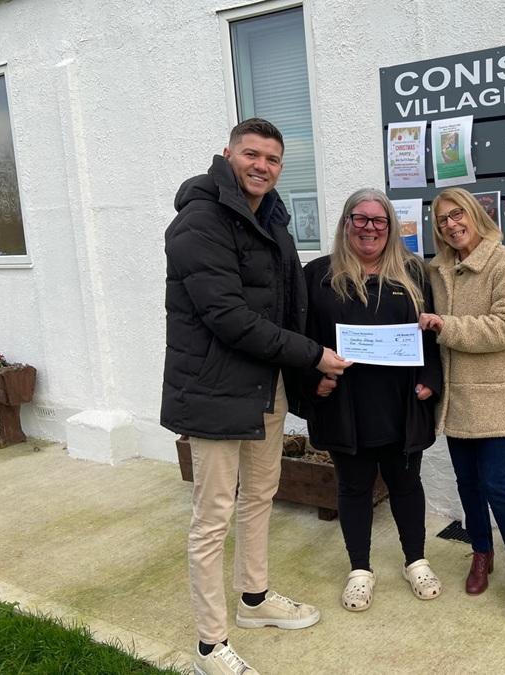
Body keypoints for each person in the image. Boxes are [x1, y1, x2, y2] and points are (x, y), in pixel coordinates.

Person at [162, 118, 350, 675]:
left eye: (272, 159)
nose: (261, 166)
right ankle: (208, 647)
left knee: (260, 495)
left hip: (264, 389)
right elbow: (229, 317)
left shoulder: (270, 218)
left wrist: (304, 370)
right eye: (252, 154)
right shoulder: (199, 221)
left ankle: (254, 598)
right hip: (216, 391)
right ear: (227, 154)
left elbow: (288, 302)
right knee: (212, 517)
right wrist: (313, 355)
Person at [299, 188, 442, 612]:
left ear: (391, 228)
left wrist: (431, 381)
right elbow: (303, 340)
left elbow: (429, 338)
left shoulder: (414, 274)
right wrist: (314, 380)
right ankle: (359, 570)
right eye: (359, 219)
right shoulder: (319, 275)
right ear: (346, 224)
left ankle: (415, 560)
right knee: (354, 487)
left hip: (401, 403)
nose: (369, 228)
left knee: (406, 484)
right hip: (345, 404)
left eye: (378, 221)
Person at [418, 187, 505, 618]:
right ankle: (481, 553)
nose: (451, 225)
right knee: (466, 482)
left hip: (494, 396)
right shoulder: (436, 270)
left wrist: (446, 326)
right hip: (455, 397)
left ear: (474, 214)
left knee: (496, 483)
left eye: (457, 215)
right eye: (441, 221)